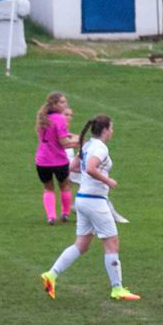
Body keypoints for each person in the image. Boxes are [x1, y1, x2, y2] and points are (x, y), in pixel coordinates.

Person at [40, 114, 140, 301]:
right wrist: (107, 180)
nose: (112, 131)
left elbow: (73, 167)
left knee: (82, 245)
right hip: (95, 202)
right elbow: (91, 168)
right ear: (105, 130)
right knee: (112, 243)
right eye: (111, 128)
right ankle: (117, 289)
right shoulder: (100, 148)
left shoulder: (87, 146)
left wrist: (93, 172)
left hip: (83, 200)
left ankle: (51, 275)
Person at [34, 92, 78, 224]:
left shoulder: (43, 118)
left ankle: (51, 216)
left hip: (42, 160)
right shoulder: (60, 119)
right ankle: (65, 214)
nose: (65, 104)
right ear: (54, 105)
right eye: (62, 102)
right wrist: (78, 142)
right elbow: (63, 142)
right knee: (65, 186)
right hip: (58, 160)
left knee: (48, 188)